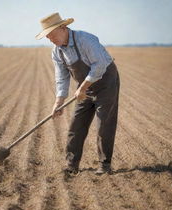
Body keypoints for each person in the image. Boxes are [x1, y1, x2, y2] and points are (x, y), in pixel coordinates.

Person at [36, 12, 120, 175]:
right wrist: (58, 102)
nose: (50, 39)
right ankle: (71, 164)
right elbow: (62, 77)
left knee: (104, 124)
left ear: (63, 28)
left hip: (106, 83)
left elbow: (99, 65)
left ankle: (104, 164)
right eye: (47, 36)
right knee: (76, 125)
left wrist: (82, 88)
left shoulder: (85, 40)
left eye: (51, 34)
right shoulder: (57, 52)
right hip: (85, 87)